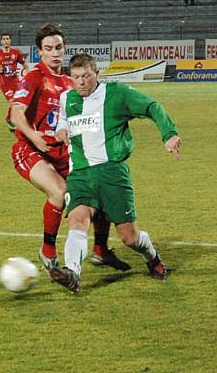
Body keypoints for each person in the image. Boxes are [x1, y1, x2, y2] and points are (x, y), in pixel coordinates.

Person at [51, 53, 182, 293]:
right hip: (80, 173)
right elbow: (62, 122)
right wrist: (61, 130)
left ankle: (152, 258)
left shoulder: (117, 93)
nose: (81, 82)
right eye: (76, 77)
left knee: (129, 238)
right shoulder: (66, 98)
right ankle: (72, 273)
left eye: (86, 76)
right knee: (77, 219)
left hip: (112, 173)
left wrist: (169, 134)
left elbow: (152, 106)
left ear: (96, 74)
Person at [10, 24, 130, 278]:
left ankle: (101, 249)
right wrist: (33, 135)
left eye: (59, 48)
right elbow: (16, 112)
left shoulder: (69, 82)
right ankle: (48, 250)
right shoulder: (34, 77)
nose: (55, 53)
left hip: (62, 153)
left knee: (98, 186)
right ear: (39, 52)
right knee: (59, 190)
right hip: (30, 149)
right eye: (48, 49)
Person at [0, 33, 29, 132]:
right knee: (14, 103)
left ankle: (9, 119)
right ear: (1, 42)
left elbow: (25, 65)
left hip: (15, 82)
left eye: (7, 39)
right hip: (4, 83)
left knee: (21, 102)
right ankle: (17, 124)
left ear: (10, 41)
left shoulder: (16, 53)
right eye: (4, 39)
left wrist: (26, 74)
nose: (6, 41)